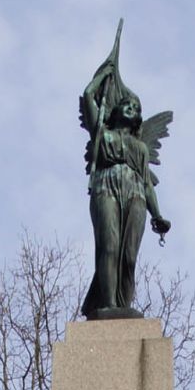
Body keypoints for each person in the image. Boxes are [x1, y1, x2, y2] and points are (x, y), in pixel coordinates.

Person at [79, 25, 172, 321]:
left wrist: (158, 214)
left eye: (136, 107)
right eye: (127, 104)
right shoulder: (102, 133)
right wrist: (103, 74)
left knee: (129, 256)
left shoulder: (140, 148)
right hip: (106, 186)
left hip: (134, 193)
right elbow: (88, 94)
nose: (132, 108)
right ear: (116, 110)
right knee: (109, 246)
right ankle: (107, 305)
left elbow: (147, 184)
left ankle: (123, 304)